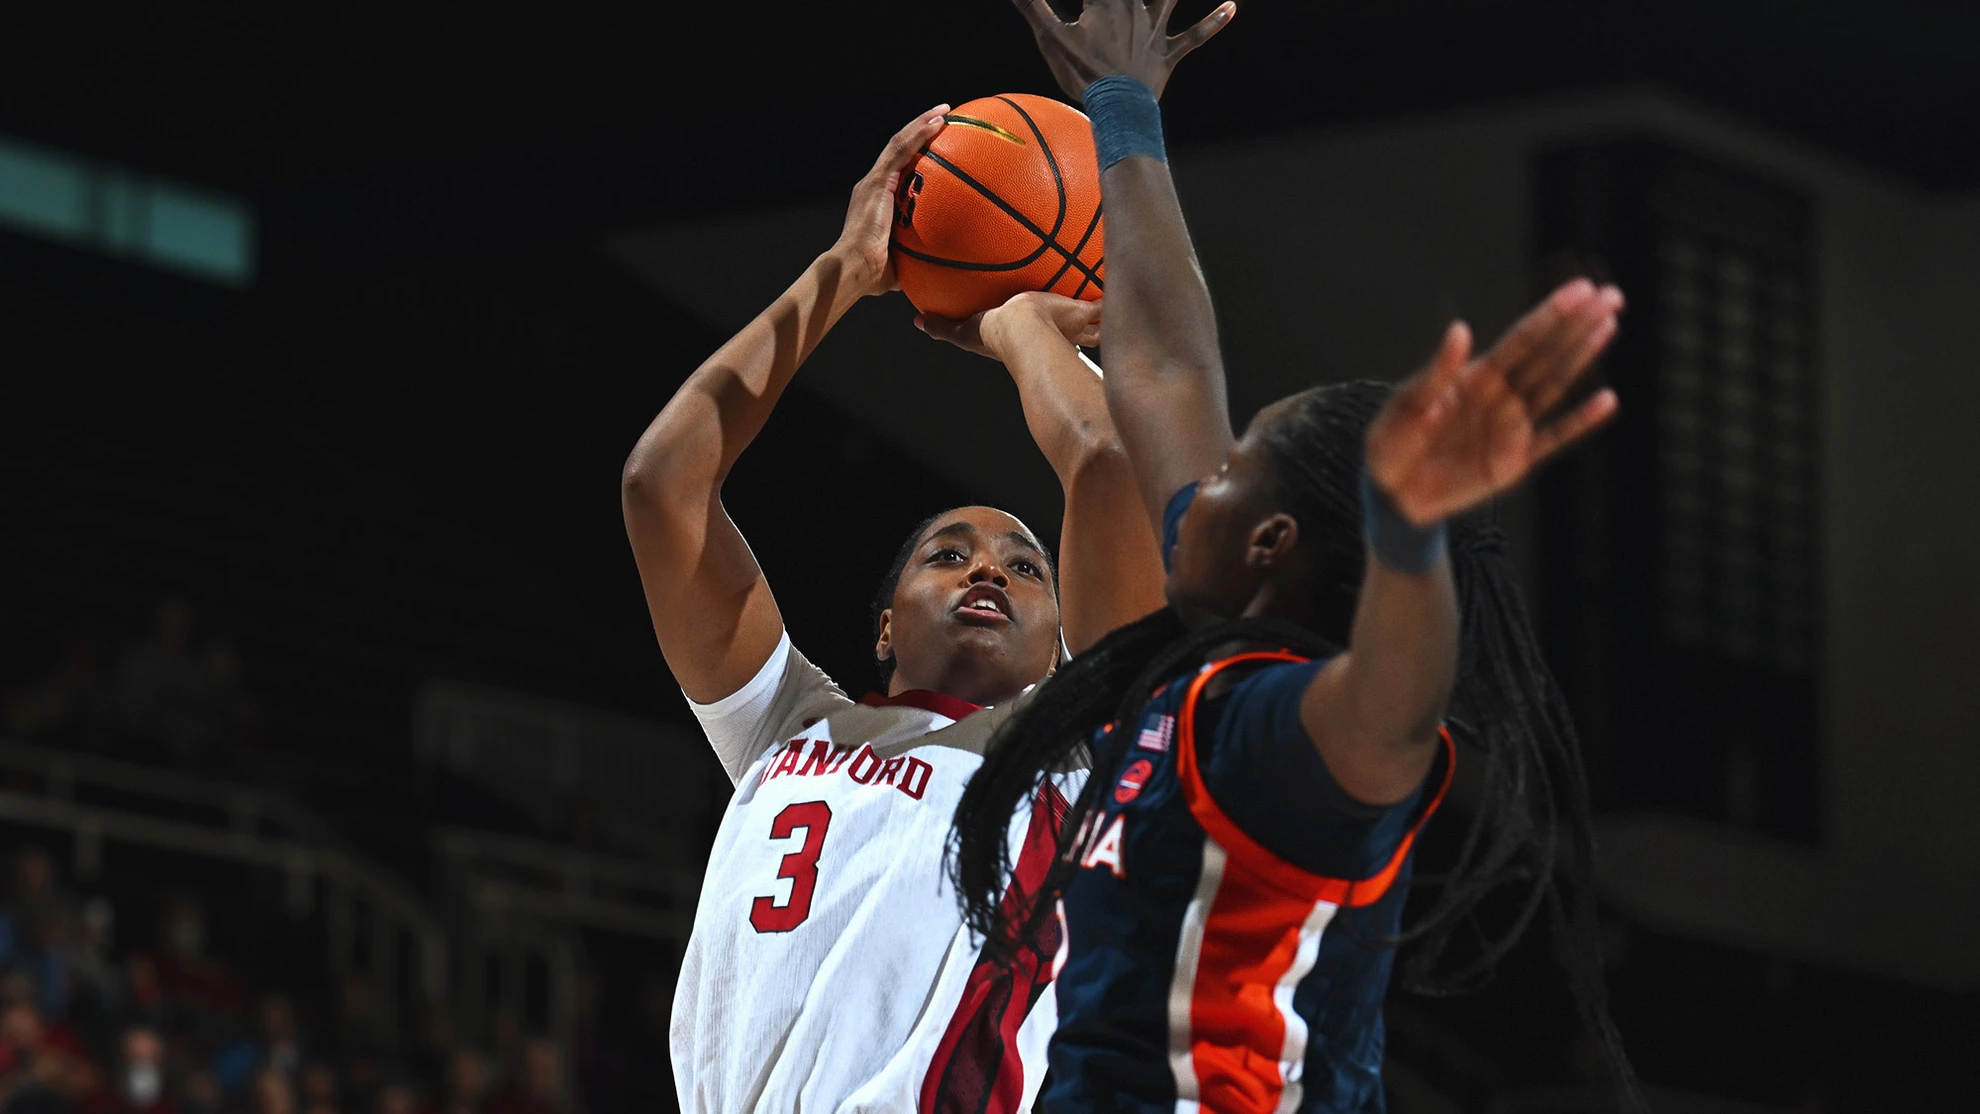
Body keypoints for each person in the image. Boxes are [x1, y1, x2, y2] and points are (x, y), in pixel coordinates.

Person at [950, 1, 1642, 1110]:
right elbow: (1166, 366)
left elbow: (1395, 711)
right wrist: (1123, 111)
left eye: (1231, 471)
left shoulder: (1279, 729)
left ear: (1272, 542)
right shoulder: (1201, 665)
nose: (1201, 475)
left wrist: (1409, 533)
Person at [621, 107, 1166, 1111]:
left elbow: (1110, 460)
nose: (986, 572)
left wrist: (1018, 325)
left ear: (1063, 642)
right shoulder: (787, 726)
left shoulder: (1080, 755)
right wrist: (844, 271)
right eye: (947, 555)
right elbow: (662, 486)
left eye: (1026, 567)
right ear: (885, 623)